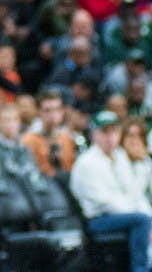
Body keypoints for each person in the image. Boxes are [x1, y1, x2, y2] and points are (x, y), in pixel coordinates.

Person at [70, 110, 151, 272]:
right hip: (98, 219)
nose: (110, 137)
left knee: (144, 218)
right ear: (94, 134)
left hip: (124, 214)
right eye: (105, 132)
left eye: (114, 131)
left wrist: (143, 162)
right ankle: (140, 269)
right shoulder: (87, 162)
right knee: (141, 220)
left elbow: (135, 192)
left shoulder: (120, 156)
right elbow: (105, 202)